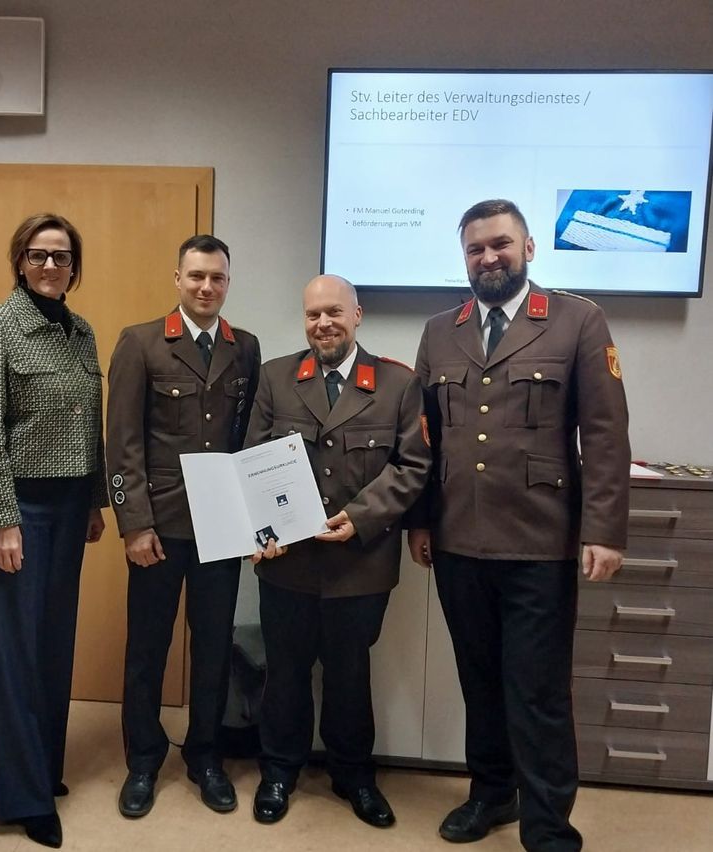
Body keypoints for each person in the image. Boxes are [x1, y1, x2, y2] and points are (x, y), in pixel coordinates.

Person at [408, 199, 630, 851]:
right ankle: (490, 795)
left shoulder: (577, 321)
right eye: (476, 248)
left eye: (501, 244)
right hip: (456, 539)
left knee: (536, 692)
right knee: (478, 681)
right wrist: (420, 521)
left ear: (529, 249)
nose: (489, 257)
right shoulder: (439, 331)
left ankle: (548, 824)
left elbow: (607, 434)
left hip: (541, 541)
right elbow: (425, 438)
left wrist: (605, 529)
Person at [247, 275, 431, 828]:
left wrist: (363, 516)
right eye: (312, 315)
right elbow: (252, 458)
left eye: (333, 312)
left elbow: (414, 465)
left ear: (358, 314)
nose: (322, 323)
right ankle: (279, 771)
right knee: (284, 672)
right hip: (288, 562)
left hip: (361, 564)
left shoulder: (399, 384)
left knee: (351, 675)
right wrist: (262, 529)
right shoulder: (276, 377)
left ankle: (354, 774)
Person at [0, 213, 109, 849]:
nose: (51, 266)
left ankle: (43, 770)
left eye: (62, 256)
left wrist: (99, 501)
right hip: (18, 509)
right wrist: (1, 520)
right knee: (15, 654)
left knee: (53, 646)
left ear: (75, 266)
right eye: (39, 255)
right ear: (20, 260)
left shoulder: (82, 332)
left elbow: (92, 422)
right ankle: (22, 798)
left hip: (73, 505)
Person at [105, 234, 260, 818]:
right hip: (160, 526)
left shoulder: (243, 347)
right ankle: (144, 761)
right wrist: (133, 525)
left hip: (221, 526)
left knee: (215, 647)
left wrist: (253, 520)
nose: (206, 287)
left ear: (227, 282)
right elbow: (122, 444)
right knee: (148, 648)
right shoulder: (141, 343)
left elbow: (246, 440)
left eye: (217, 278)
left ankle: (205, 757)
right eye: (196, 276)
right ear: (177, 278)